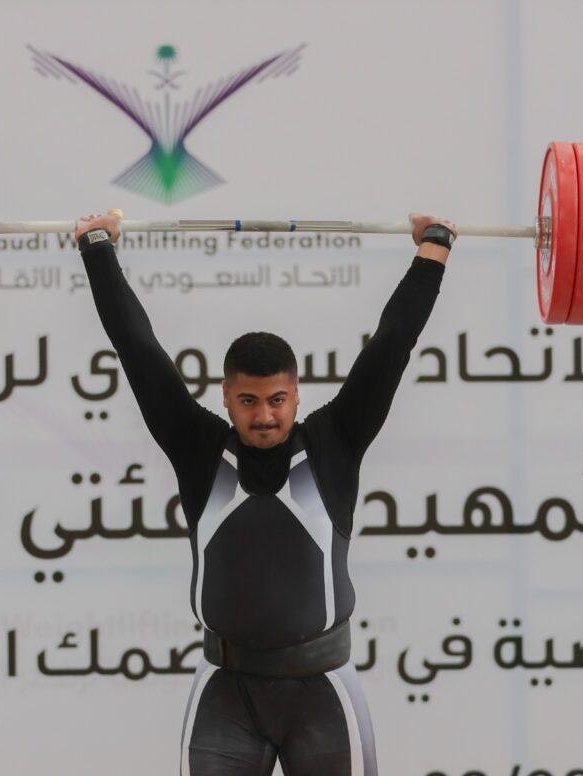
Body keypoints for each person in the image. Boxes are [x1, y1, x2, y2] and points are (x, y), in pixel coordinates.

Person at [76, 211, 454, 776]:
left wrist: (434, 248)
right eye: (248, 401)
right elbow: (137, 348)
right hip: (225, 693)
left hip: (323, 690)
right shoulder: (197, 448)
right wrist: (97, 248)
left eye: (277, 399)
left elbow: (393, 342)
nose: (265, 416)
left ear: (296, 395)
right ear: (226, 396)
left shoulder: (336, 441)